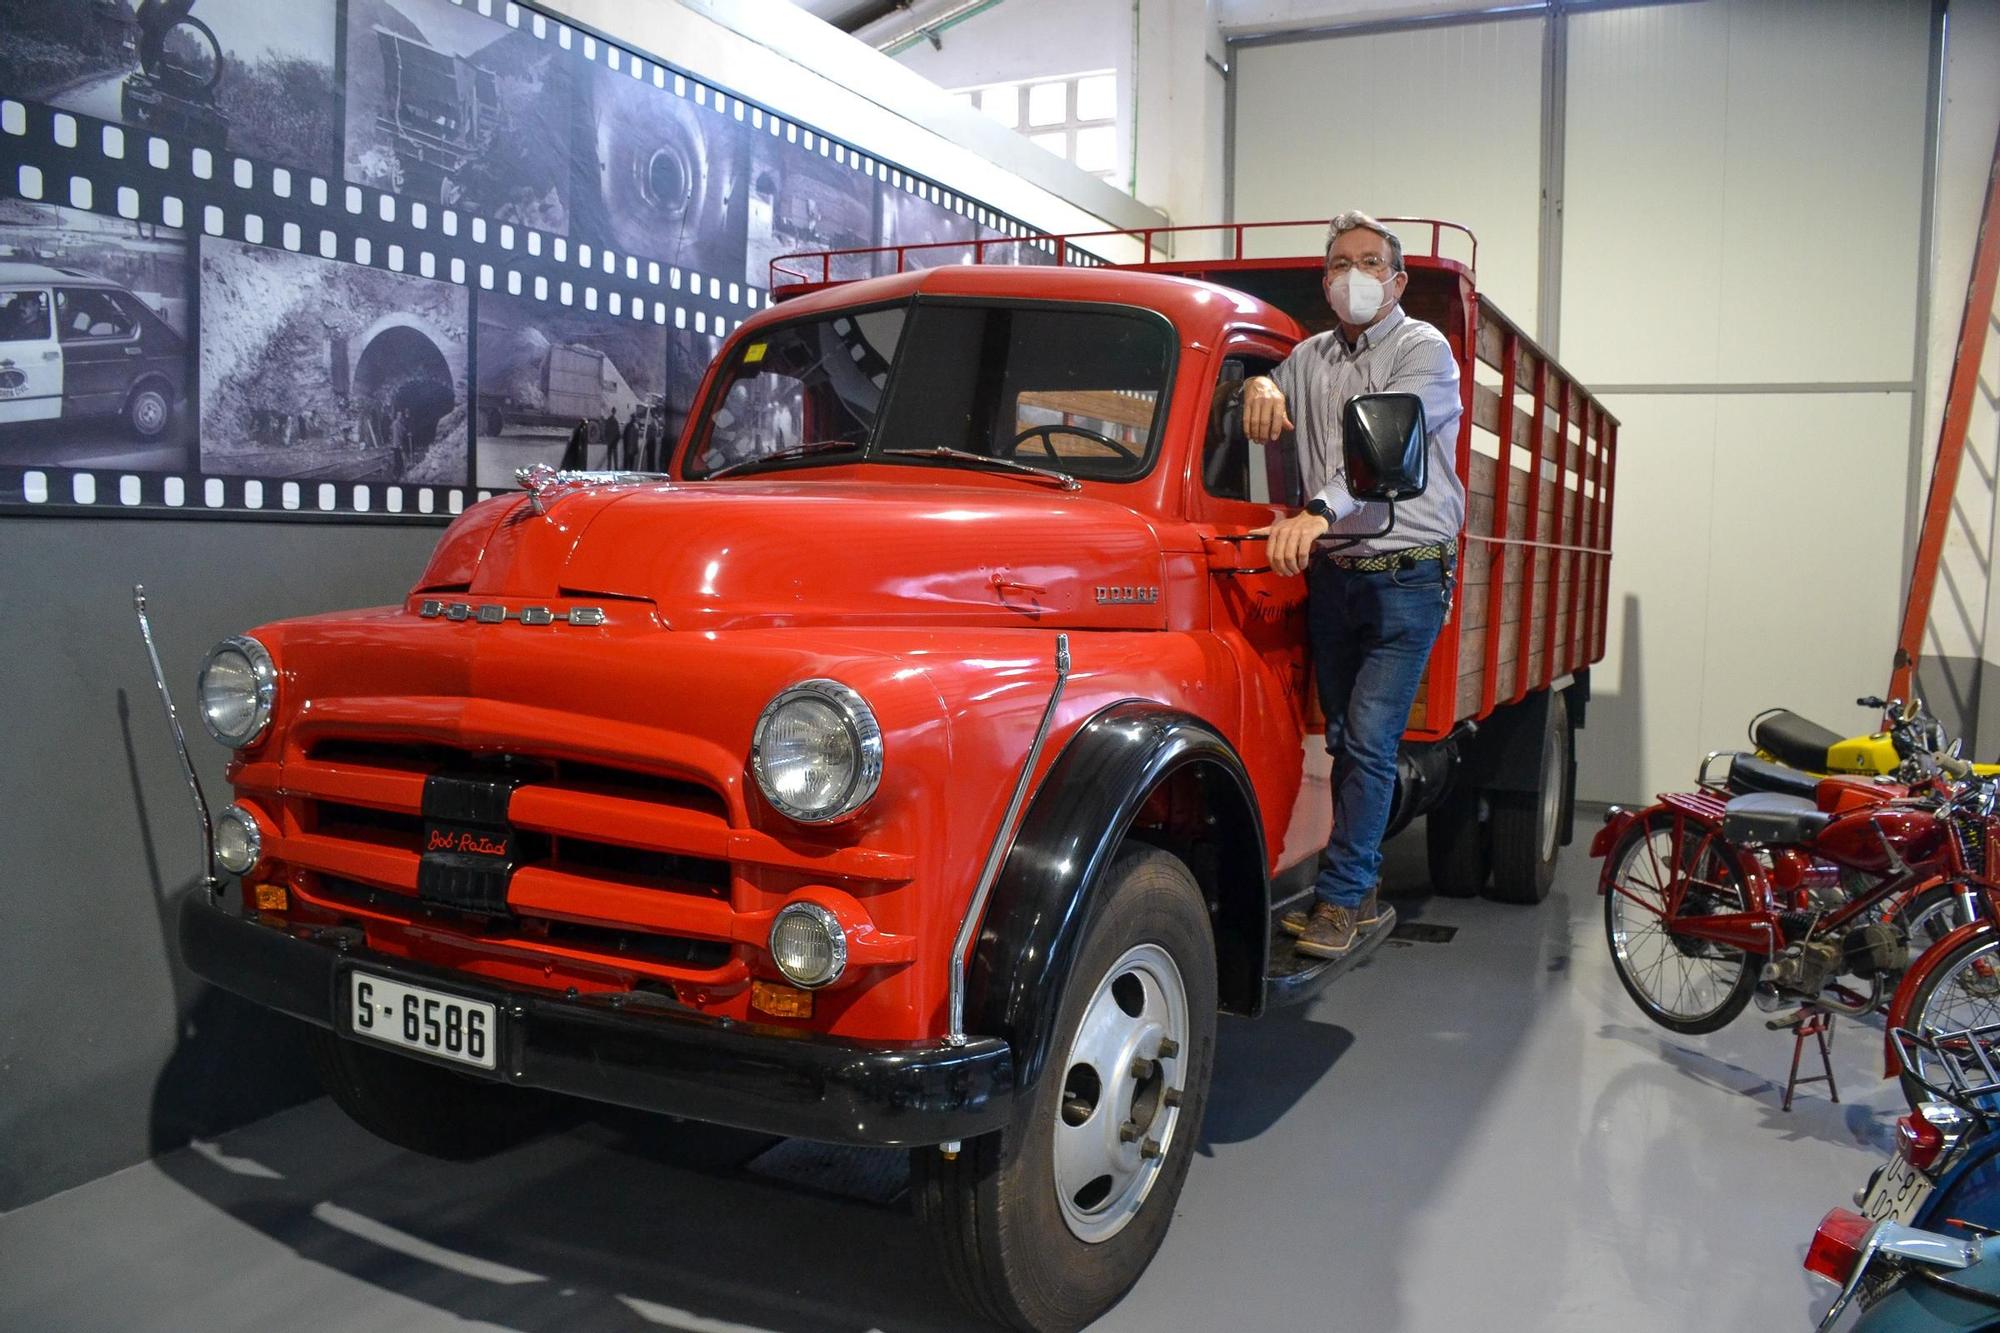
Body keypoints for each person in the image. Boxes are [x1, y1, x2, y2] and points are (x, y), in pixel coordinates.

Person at [1245, 211, 1465, 960]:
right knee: (1342, 740)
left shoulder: (1422, 350)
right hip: (1337, 577)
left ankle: (1340, 901)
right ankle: (1360, 887)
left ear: (1396, 280)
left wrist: (1314, 512)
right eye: (1339, 263)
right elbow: (1264, 388)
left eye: (1370, 262)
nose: (1353, 276)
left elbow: (1389, 445)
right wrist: (1259, 390)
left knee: (1369, 741)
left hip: (1406, 576)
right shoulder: (1306, 358)